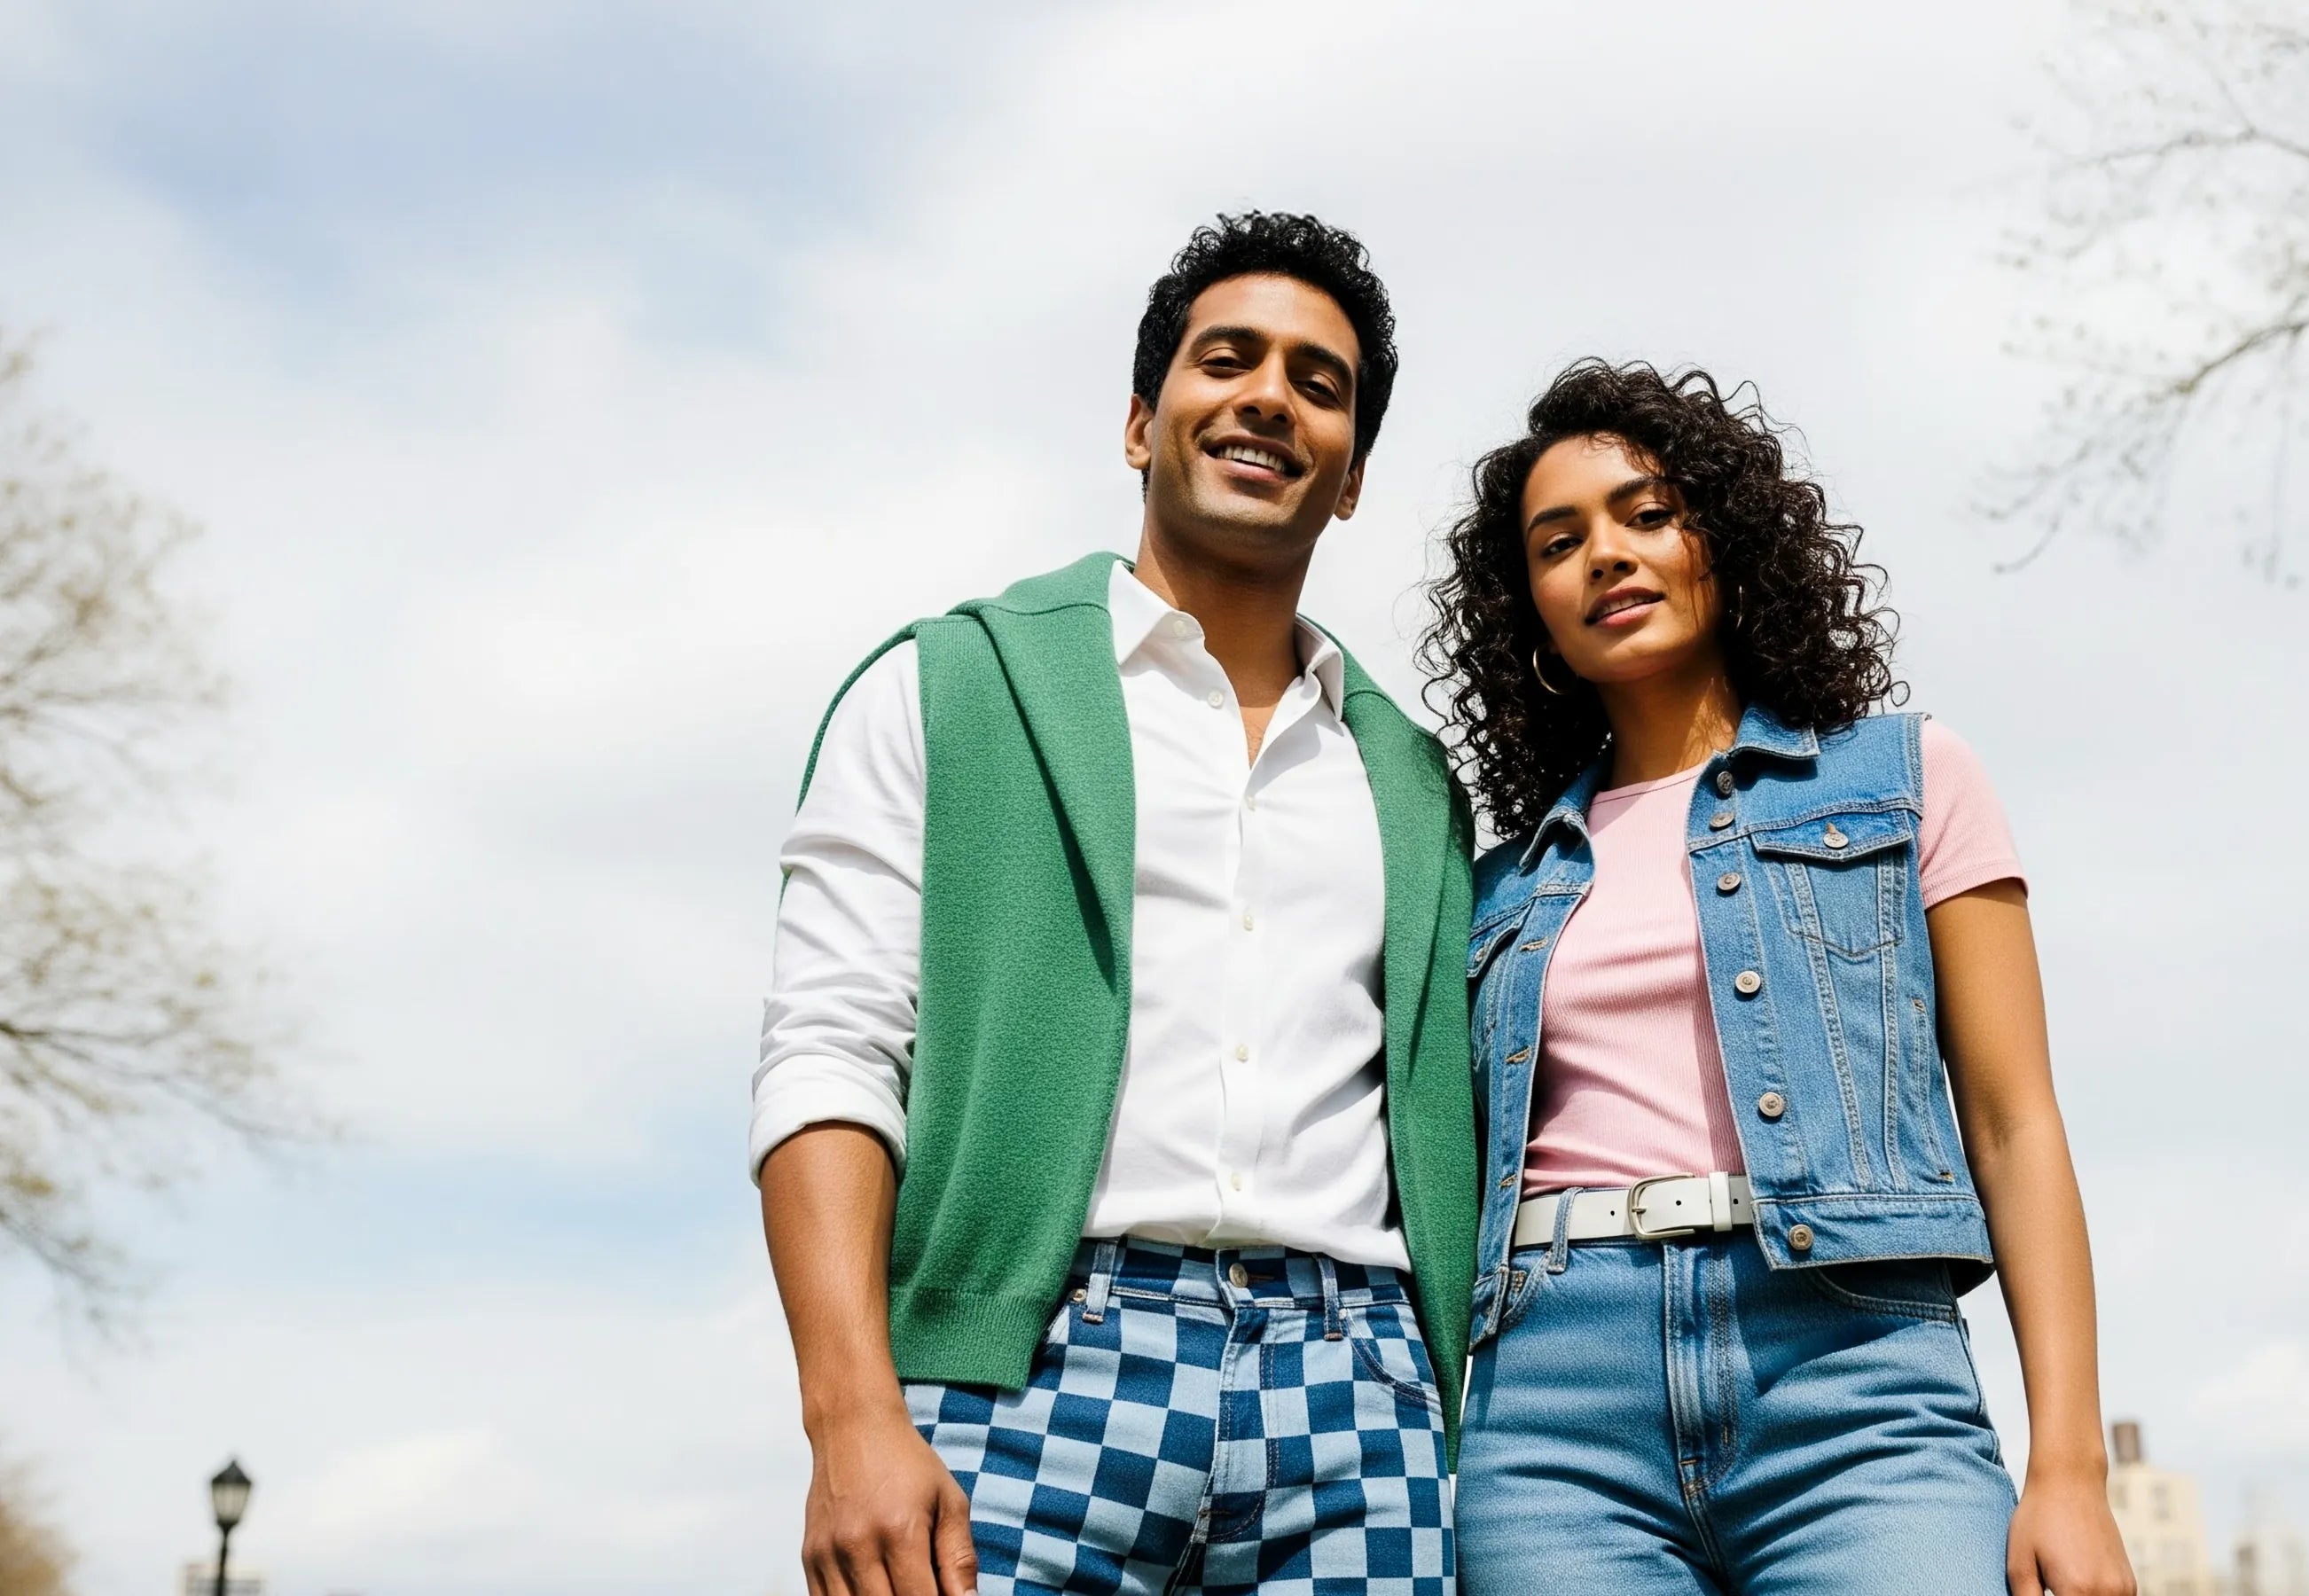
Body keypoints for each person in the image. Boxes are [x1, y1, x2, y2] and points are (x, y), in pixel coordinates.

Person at [753, 213, 1477, 1596]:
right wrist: (849, 1416)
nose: (1270, 395)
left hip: (1361, 1398)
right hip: (1023, 1386)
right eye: (1228, 360)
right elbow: (831, 1054)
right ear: (1144, 423)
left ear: (1354, 478)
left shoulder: (1413, 783)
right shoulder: (947, 687)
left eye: (1318, 383)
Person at [1418, 361, 2137, 1596]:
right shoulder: (1491, 887)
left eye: (1647, 514)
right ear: (1528, 612)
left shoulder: (1909, 779)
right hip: (1552, 1415)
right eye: (1559, 541)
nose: (1606, 555)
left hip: (1857, 1380)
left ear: (1726, 539)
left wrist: (2069, 1466)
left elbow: (2017, 1127)